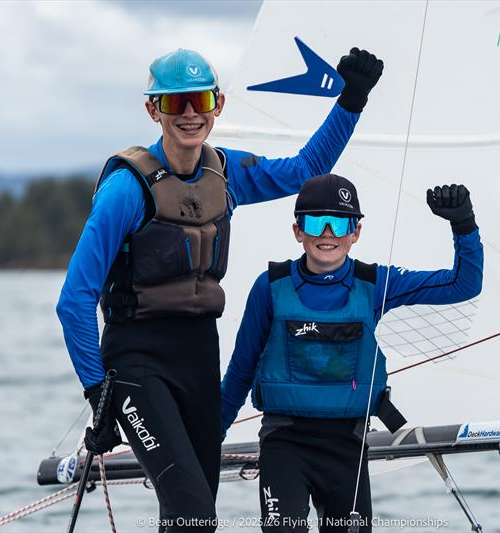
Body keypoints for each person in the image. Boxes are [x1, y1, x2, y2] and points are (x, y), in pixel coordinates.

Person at [56, 47, 384, 531]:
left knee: (195, 513)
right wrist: (96, 391)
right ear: (153, 110)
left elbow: (303, 170)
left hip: (198, 358)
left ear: (218, 104)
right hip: (136, 363)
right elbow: (75, 300)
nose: (190, 114)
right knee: (192, 511)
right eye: (174, 103)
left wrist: (351, 100)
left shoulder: (226, 175)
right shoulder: (126, 190)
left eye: (200, 101)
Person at [220, 175, 483, 532]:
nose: (327, 234)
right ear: (298, 231)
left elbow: (463, 284)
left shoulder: (375, 285)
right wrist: (209, 438)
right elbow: (240, 372)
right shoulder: (269, 287)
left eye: (339, 223)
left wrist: (463, 224)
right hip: (285, 441)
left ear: (355, 232)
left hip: (347, 444)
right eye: (315, 222)